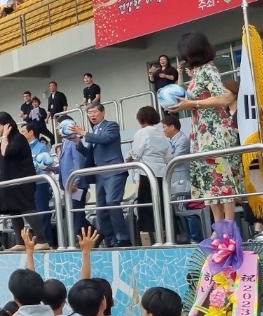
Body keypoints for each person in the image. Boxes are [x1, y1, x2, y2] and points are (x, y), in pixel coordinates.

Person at [167, 31, 243, 225]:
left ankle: (229, 226)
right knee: (208, 178)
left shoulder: (209, 69)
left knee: (221, 175)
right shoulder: (198, 72)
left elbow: (224, 98)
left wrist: (193, 105)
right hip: (201, 130)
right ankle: (218, 226)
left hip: (214, 128)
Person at [82, 104, 129, 247]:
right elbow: (89, 153)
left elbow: (105, 139)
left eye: (94, 111)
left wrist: (84, 134)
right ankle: (110, 239)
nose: (92, 115)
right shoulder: (94, 131)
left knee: (112, 202)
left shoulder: (111, 125)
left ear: (103, 112)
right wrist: (78, 142)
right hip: (100, 174)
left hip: (114, 171)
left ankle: (123, 238)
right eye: (89, 113)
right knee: (101, 209)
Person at [0, 112, 37, 245]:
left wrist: (4, 136)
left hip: (21, 182)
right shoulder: (5, 139)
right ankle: (19, 242)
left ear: (6, 124)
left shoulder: (18, 138)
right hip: (9, 184)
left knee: (27, 209)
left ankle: (42, 239)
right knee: (14, 211)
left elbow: (6, 153)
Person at [126, 106, 170, 244]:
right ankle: (166, 235)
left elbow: (136, 153)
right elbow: (168, 156)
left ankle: (153, 239)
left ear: (141, 118)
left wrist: (129, 158)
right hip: (162, 173)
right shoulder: (161, 133)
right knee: (162, 205)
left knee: (147, 208)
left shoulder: (142, 133)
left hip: (147, 173)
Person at [162, 115, 199, 243]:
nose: (163, 130)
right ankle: (186, 236)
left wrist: (162, 158)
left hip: (182, 178)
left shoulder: (182, 140)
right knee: (179, 209)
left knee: (186, 209)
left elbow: (174, 159)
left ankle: (194, 238)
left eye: (164, 127)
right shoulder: (171, 141)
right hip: (174, 179)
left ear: (172, 127)